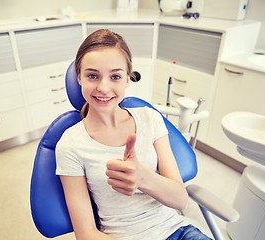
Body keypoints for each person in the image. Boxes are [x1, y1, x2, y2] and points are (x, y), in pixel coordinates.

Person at [55, 29, 212, 240]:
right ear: (79, 78)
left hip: (178, 232)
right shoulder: (70, 144)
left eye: (115, 76)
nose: (103, 87)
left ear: (127, 79)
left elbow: (180, 201)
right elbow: (86, 234)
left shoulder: (150, 118)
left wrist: (144, 178)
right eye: (92, 75)